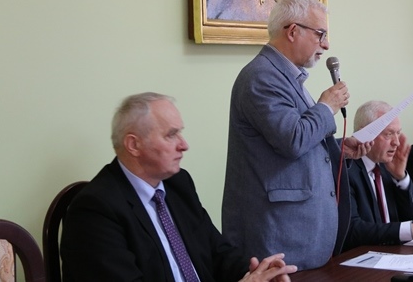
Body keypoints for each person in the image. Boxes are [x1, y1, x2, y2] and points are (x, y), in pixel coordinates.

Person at [61, 92, 296, 282]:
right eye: (171, 135)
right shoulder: (95, 210)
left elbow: (218, 253)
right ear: (134, 145)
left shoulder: (177, 184)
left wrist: (257, 273)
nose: (184, 145)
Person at [223, 0, 371, 270]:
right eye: (320, 34)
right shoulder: (262, 77)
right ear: (292, 32)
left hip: (300, 239)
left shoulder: (285, 77)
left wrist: (338, 148)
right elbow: (292, 139)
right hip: (277, 238)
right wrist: (327, 106)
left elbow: (298, 140)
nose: (326, 44)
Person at [344, 101, 413, 251]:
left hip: (394, 253)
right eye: (388, 134)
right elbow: (353, 230)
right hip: (361, 257)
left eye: (398, 133)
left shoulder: (385, 165)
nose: (396, 142)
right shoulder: (345, 170)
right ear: (364, 134)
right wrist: (411, 230)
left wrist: (401, 178)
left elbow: (411, 216)